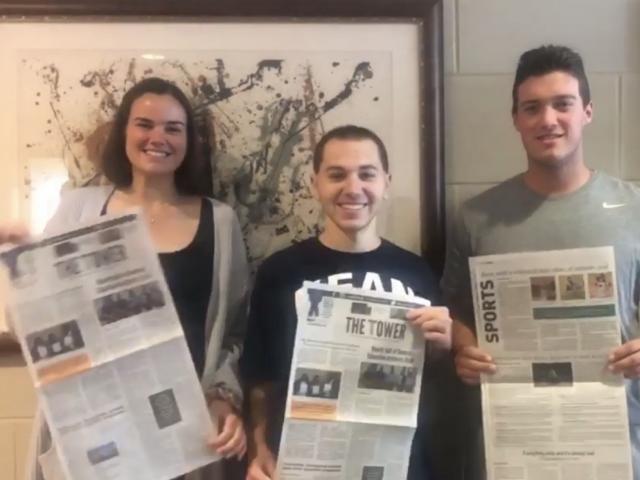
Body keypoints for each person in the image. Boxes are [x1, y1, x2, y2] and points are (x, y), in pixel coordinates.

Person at [2, 77, 249, 480]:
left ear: (189, 141)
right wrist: (21, 265)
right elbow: (34, 322)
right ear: (124, 133)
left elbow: (235, 331)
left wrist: (223, 398)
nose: (158, 137)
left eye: (174, 128)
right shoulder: (77, 210)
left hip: (183, 431)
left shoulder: (220, 221)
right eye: (145, 124)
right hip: (96, 425)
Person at [442, 45, 640, 479]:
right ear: (516, 119)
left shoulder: (634, 209)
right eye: (532, 107)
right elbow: (455, 312)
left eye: (562, 104)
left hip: (612, 444)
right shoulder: (475, 216)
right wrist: (464, 348)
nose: (548, 120)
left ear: (587, 111)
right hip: (510, 447)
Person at [241, 125, 453, 480]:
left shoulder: (416, 272)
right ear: (315, 184)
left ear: (386, 182)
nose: (352, 188)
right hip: (303, 465)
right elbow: (261, 378)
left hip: (397, 465)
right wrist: (259, 449)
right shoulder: (279, 271)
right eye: (337, 175)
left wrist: (444, 348)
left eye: (366, 174)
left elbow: (433, 382)